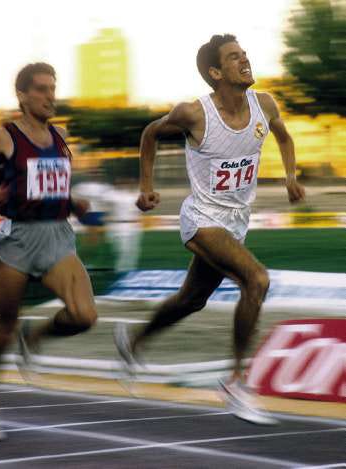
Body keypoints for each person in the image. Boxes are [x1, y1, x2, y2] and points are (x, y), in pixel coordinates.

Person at [115, 34, 305, 424]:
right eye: (234, 57)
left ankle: (132, 341)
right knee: (256, 280)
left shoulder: (264, 104)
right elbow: (150, 132)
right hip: (202, 218)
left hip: (236, 222)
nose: (245, 60)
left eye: (245, 54)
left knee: (191, 300)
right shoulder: (194, 113)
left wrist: (290, 176)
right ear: (215, 73)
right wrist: (146, 187)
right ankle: (236, 382)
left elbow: (284, 137)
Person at [0, 63, 97, 441]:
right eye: (41, 89)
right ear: (22, 96)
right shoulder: (1, 138)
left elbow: (51, 185)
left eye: (52, 87)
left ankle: (35, 338)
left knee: (84, 315)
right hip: (19, 240)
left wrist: (74, 202)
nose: (49, 95)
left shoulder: (59, 137)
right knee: (3, 328)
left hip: (58, 236)